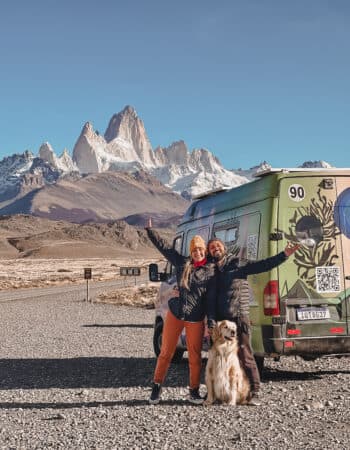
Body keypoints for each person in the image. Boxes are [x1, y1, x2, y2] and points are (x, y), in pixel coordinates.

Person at [206, 238, 299, 406]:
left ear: (224, 248)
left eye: (217, 245)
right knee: (220, 357)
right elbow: (210, 300)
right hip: (221, 323)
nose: (215, 249)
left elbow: (262, 265)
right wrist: (211, 323)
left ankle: (255, 392)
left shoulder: (237, 263)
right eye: (211, 247)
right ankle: (224, 392)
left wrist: (284, 255)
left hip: (239, 317)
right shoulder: (211, 271)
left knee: (245, 355)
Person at [146, 219, 216, 405]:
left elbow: (210, 300)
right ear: (191, 252)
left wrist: (209, 324)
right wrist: (150, 231)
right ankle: (156, 387)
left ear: (204, 250)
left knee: (194, 356)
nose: (198, 252)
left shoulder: (210, 270)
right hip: (175, 314)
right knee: (166, 352)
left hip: (195, 318)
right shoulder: (182, 263)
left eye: (200, 249)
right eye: (194, 250)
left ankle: (193, 391)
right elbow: (164, 248)